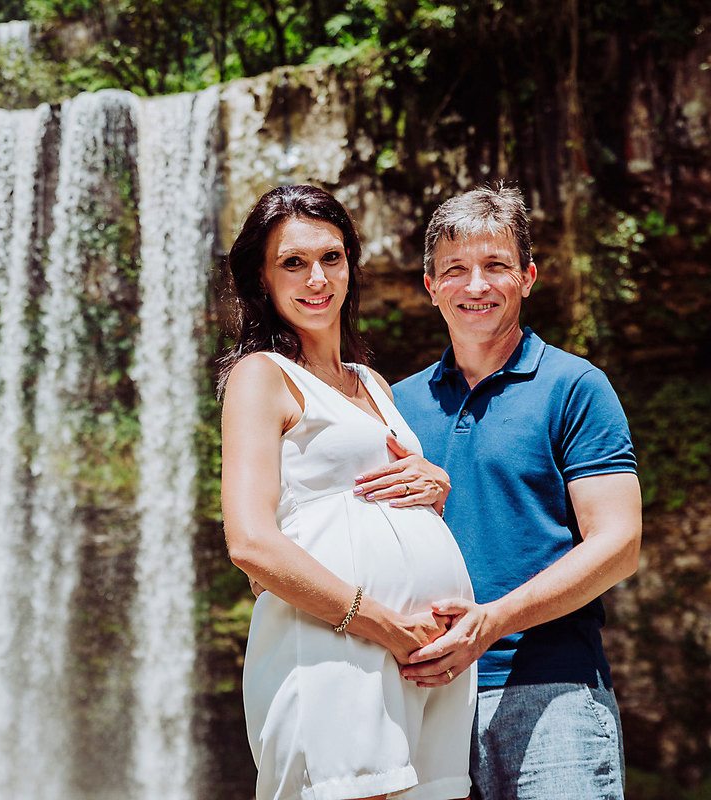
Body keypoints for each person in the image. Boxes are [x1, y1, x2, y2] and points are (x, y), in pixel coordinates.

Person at [354, 183, 642, 799]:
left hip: (552, 692)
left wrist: (492, 622)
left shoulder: (575, 386)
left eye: (496, 267)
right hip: (417, 695)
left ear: (528, 276)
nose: (475, 286)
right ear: (430, 285)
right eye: (455, 270)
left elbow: (618, 544)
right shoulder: (390, 405)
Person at [220, 184, 476, 800]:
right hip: (335, 646)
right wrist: (382, 623)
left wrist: (434, 488)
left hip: (421, 658)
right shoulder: (261, 375)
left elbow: (373, 503)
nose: (317, 278)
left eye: (332, 257)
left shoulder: (372, 383)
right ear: (261, 279)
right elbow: (252, 543)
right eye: (292, 262)